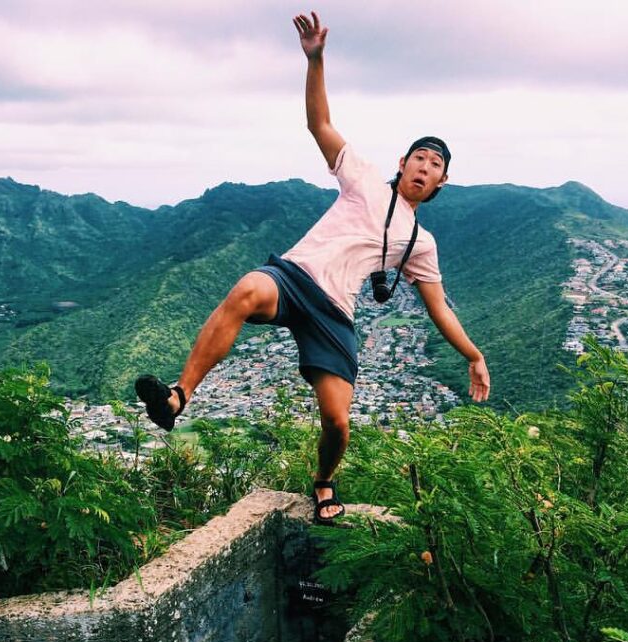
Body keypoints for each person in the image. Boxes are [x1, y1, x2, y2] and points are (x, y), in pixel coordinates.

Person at [135, 10, 490, 525]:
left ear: (441, 184)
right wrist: (316, 59)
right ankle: (178, 396)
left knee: (338, 423)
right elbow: (318, 123)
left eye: (435, 165)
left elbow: (440, 310)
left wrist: (474, 355)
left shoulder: (421, 242)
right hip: (293, 277)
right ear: (401, 163)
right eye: (419, 157)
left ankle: (323, 483)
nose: (424, 166)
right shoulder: (364, 178)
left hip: (335, 313)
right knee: (246, 290)